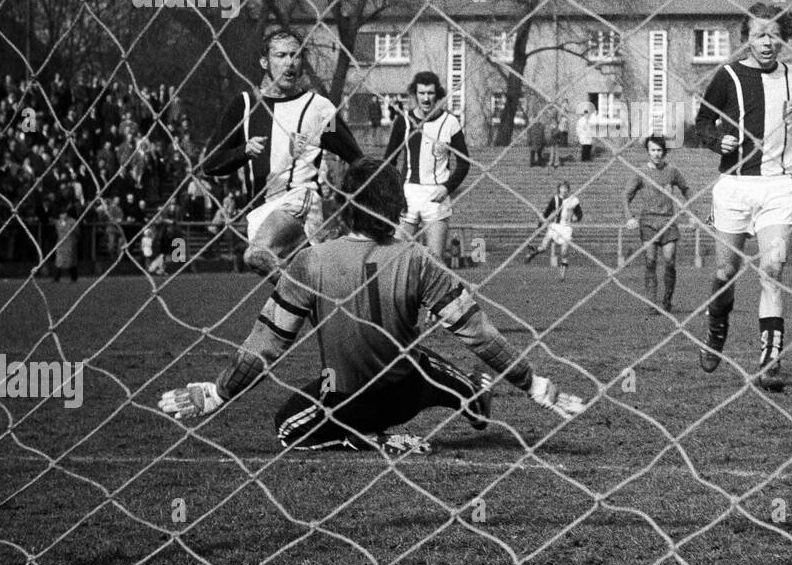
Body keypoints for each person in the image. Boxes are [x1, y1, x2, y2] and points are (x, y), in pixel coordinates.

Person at [158, 156, 586, 454]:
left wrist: (218, 391)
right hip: (405, 390)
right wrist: (533, 385)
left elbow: (266, 344)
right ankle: (469, 391)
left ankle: (369, 437)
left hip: (346, 398)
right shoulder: (417, 258)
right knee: (422, 362)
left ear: (344, 207)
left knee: (287, 429)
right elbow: (480, 334)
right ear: (397, 206)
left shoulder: (311, 261)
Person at [694, 3, 792, 392]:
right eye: (758, 35)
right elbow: (700, 124)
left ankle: (770, 361)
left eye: (773, 34)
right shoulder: (728, 76)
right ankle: (716, 327)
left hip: (777, 185)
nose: (767, 42)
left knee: (773, 269)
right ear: (746, 39)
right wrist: (719, 139)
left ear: (783, 36)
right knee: (725, 273)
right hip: (735, 185)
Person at [202, 29, 362, 278]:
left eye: (296, 56)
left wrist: (359, 201)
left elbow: (355, 156)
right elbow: (210, 164)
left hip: (300, 201)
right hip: (259, 213)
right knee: (285, 307)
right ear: (265, 62)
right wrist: (243, 151)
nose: (290, 62)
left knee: (256, 254)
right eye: (281, 55)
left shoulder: (318, 108)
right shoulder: (244, 105)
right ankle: (306, 298)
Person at [384, 71, 470, 262]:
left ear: (437, 94)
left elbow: (464, 163)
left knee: (435, 261)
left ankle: (432, 291)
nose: (426, 98)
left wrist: (447, 187)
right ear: (415, 94)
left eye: (430, 93)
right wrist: (398, 192)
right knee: (396, 258)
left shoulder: (450, 122)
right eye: (422, 93)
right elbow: (389, 161)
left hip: (436, 196)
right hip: (408, 194)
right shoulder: (403, 121)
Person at [623, 136, 692, 313]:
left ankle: (667, 301)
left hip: (668, 223)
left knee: (669, 261)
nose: (656, 153)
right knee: (650, 261)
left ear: (664, 151)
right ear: (648, 152)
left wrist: (690, 211)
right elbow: (626, 196)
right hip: (648, 224)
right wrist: (629, 216)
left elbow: (686, 189)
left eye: (659, 150)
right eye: (653, 150)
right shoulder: (641, 172)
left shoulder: (672, 171)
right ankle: (652, 303)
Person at [526, 180, 583, 278]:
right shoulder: (555, 199)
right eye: (562, 188)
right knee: (543, 248)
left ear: (568, 190)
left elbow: (580, 214)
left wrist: (576, 218)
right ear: (559, 189)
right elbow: (546, 213)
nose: (564, 190)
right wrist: (540, 225)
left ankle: (562, 277)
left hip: (566, 229)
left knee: (564, 252)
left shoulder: (574, 200)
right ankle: (533, 253)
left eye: (565, 188)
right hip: (554, 227)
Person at [52, 210, 78, 282]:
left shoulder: (73, 221)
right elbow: (57, 232)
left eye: (64, 213)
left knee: (71, 261)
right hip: (61, 244)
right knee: (59, 261)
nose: (63, 215)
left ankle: (74, 278)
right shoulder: (58, 222)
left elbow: (77, 231)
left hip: (70, 244)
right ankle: (56, 278)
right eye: (61, 214)